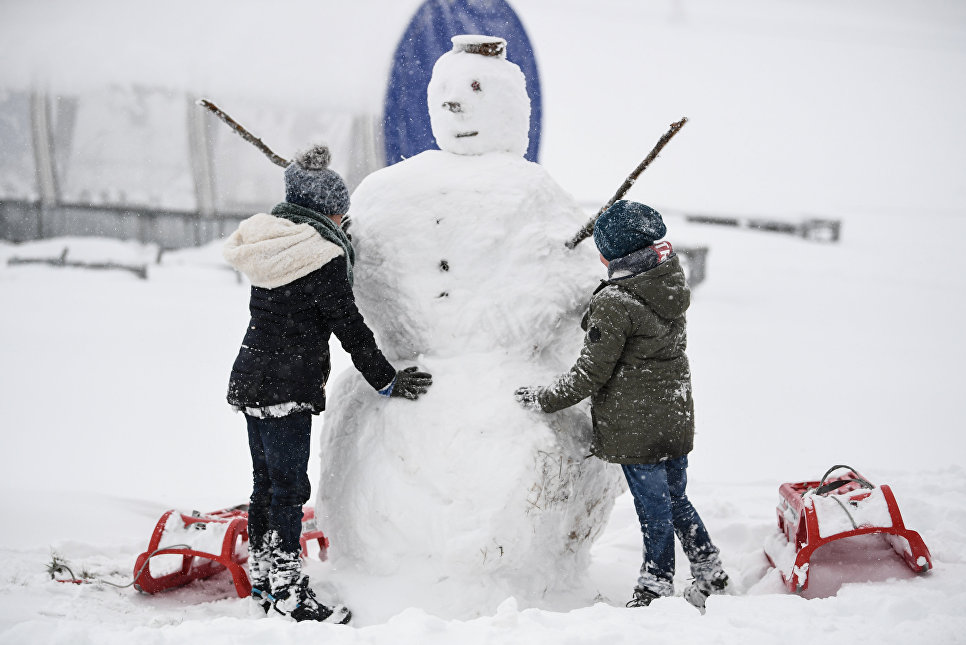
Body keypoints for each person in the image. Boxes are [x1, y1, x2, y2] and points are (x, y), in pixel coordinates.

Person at [222, 144, 433, 623]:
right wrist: (387, 380)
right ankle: (291, 592)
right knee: (290, 489)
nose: (344, 216)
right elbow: (350, 326)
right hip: (287, 385)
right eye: (339, 209)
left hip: (251, 377)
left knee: (265, 486)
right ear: (321, 210)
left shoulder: (275, 243)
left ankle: (265, 579)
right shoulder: (320, 257)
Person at [514, 200, 726, 611]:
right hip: (674, 412)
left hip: (637, 425)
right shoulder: (666, 282)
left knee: (654, 509)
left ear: (613, 254)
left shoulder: (615, 302)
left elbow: (591, 372)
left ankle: (655, 588)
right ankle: (709, 569)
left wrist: (545, 399)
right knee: (675, 498)